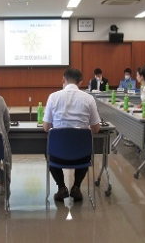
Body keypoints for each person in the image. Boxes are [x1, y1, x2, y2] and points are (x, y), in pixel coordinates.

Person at [43, 68, 101, 202]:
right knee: (86, 149)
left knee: (48, 151)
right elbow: (96, 128)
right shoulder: (89, 99)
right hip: (82, 157)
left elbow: (46, 127)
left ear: (63, 80)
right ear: (81, 82)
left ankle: (62, 187)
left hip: (57, 157)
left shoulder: (53, 97)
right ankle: (76, 187)